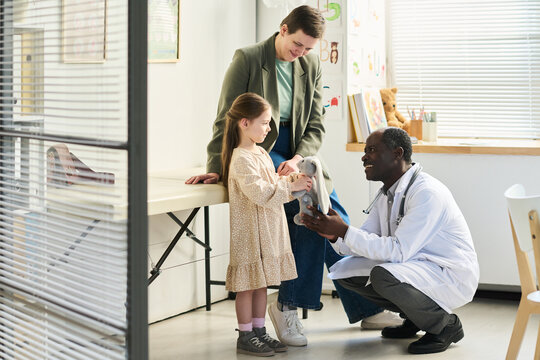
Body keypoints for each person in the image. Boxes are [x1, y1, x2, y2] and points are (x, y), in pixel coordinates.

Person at [186, 5, 401, 346]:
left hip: (300, 151)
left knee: (333, 218)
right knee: (311, 217)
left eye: (308, 49)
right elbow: (225, 117)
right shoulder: (248, 58)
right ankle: (291, 306)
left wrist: (300, 158)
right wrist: (217, 167)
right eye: (297, 45)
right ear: (283, 29)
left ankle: (361, 303)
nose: (300, 53)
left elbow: (316, 125)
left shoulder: (311, 64)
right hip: (260, 146)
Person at [301, 127, 480, 355]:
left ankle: (445, 325)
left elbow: (398, 251)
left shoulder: (426, 192)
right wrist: (334, 233)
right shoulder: (387, 192)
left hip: (449, 272)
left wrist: (345, 231)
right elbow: (368, 240)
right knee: (346, 272)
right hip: (418, 265)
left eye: (372, 150)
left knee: (382, 276)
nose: (364, 156)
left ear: (397, 153)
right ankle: (416, 318)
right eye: (365, 151)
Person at [222, 93, 313, 356]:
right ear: (244, 123)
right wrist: (289, 187)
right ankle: (245, 335)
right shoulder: (240, 158)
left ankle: (260, 331)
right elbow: (260, 192)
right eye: (264, 123)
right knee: (247, 286)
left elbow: (272, 182)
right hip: (249, 233)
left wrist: (293, 181)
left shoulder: (261, 152)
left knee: (261, 284)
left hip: (267, 231)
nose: (269, 128)